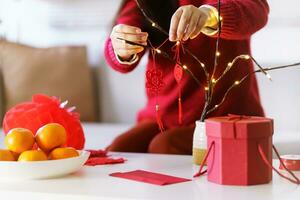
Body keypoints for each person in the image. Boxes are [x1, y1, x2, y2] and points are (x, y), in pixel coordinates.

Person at [104, 0, 269, 154]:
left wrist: (209, 15)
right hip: (162, 117)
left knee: (163, 146)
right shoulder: (140, 5)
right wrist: (121, 47)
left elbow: (256, 10)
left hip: (225, 115)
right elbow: (123, 32)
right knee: (118, 149)